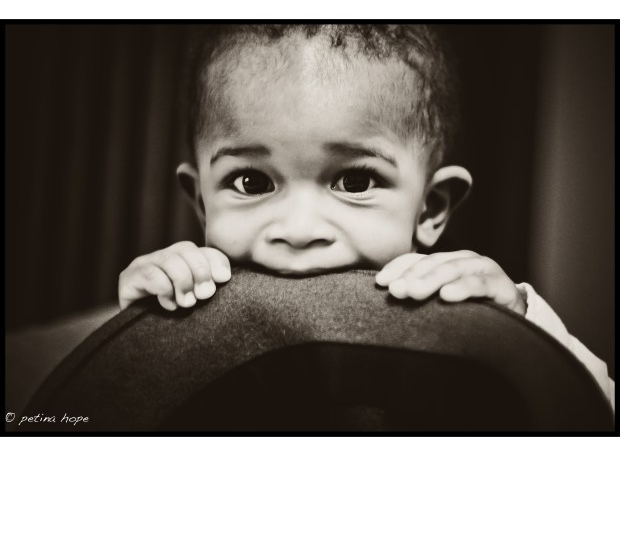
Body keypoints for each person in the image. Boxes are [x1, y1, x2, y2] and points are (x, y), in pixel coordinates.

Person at [117, 24, 614, 409]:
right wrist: (134, 342)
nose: (299, 231)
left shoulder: (459, 325)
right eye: (252, 182)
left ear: (431, 208)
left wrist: (521, 333)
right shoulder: (188, 311)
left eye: (355, 182)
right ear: (201, 201)